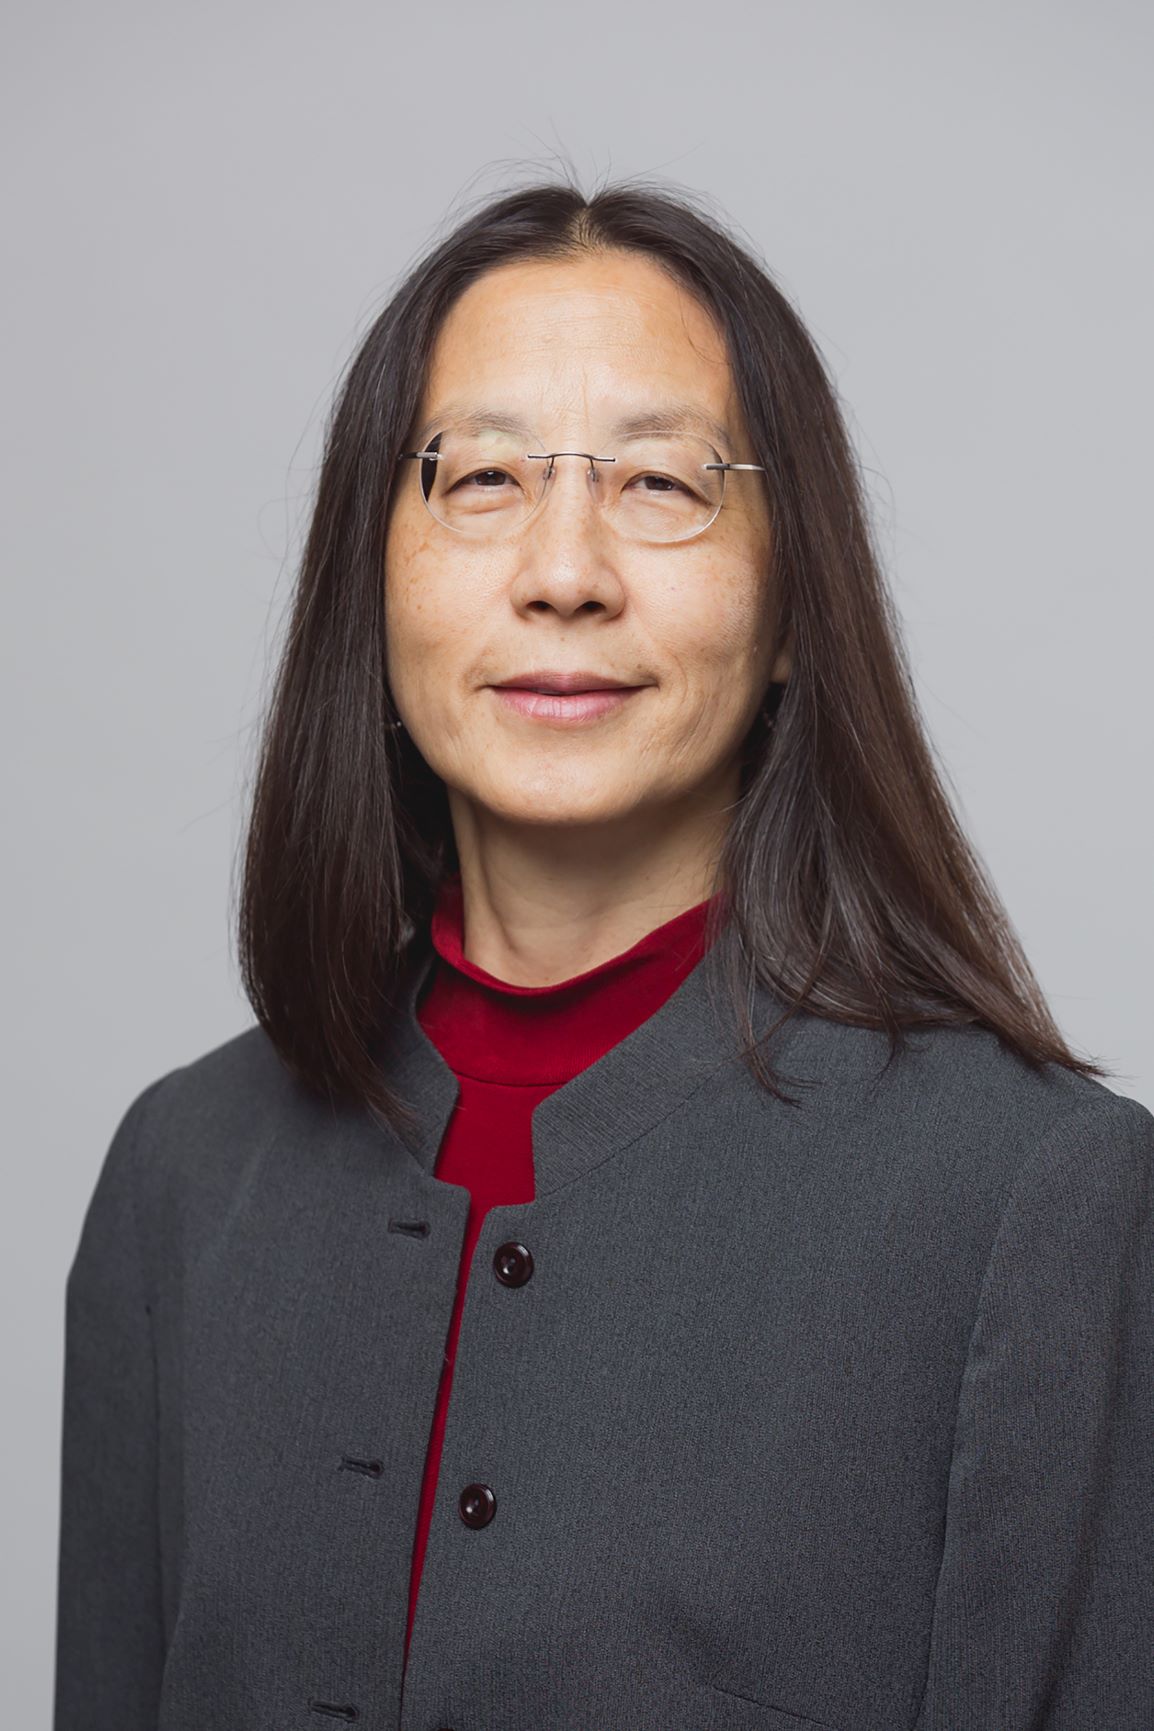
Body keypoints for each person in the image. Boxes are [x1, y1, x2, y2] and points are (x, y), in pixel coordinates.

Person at [54, 176, 1154, 1731]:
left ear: (787, 607)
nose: (562, 571)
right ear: (371, 580)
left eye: (660, 484)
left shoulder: (1032, 1209)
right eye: (480, 477)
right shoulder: (180, 1178)